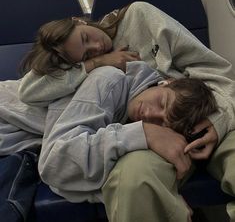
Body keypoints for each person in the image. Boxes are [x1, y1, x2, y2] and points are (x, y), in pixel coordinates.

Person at [19, 1, 235, 221]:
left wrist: (219, 119)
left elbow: (216, 71)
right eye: (86, 55)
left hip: (207, 106)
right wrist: (95, 63)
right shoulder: (103, 76)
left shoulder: (138, 16)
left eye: (86, 37)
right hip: (153, 136)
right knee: (136, 178)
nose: (96, 47)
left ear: (78, 20)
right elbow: (28, 90)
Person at [37, 61, 217, 210]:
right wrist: (145, 132)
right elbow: (55, 164)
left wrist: (164, 193)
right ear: (166, 82)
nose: (149, 115)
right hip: (10, 131)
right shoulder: (109, 79)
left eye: (162, 124)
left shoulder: (131, 112)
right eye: (162, 102)